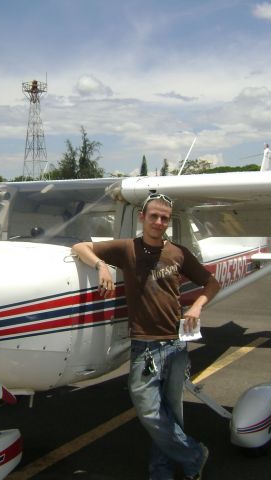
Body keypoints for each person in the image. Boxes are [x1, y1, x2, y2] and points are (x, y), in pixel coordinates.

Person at [72, 193, 220, 480]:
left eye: (164, 218)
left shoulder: (178, 253)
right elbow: (80, 246)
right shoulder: (127, 249)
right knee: (150, 411)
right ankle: (194, 454)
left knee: (170, 413)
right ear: (143, 217)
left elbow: (210, 282)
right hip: (144, 345)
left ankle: (162, 471)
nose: (159, 222)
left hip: (175, 344)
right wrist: (101, 265)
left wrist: (198, 305)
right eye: (153, 216)